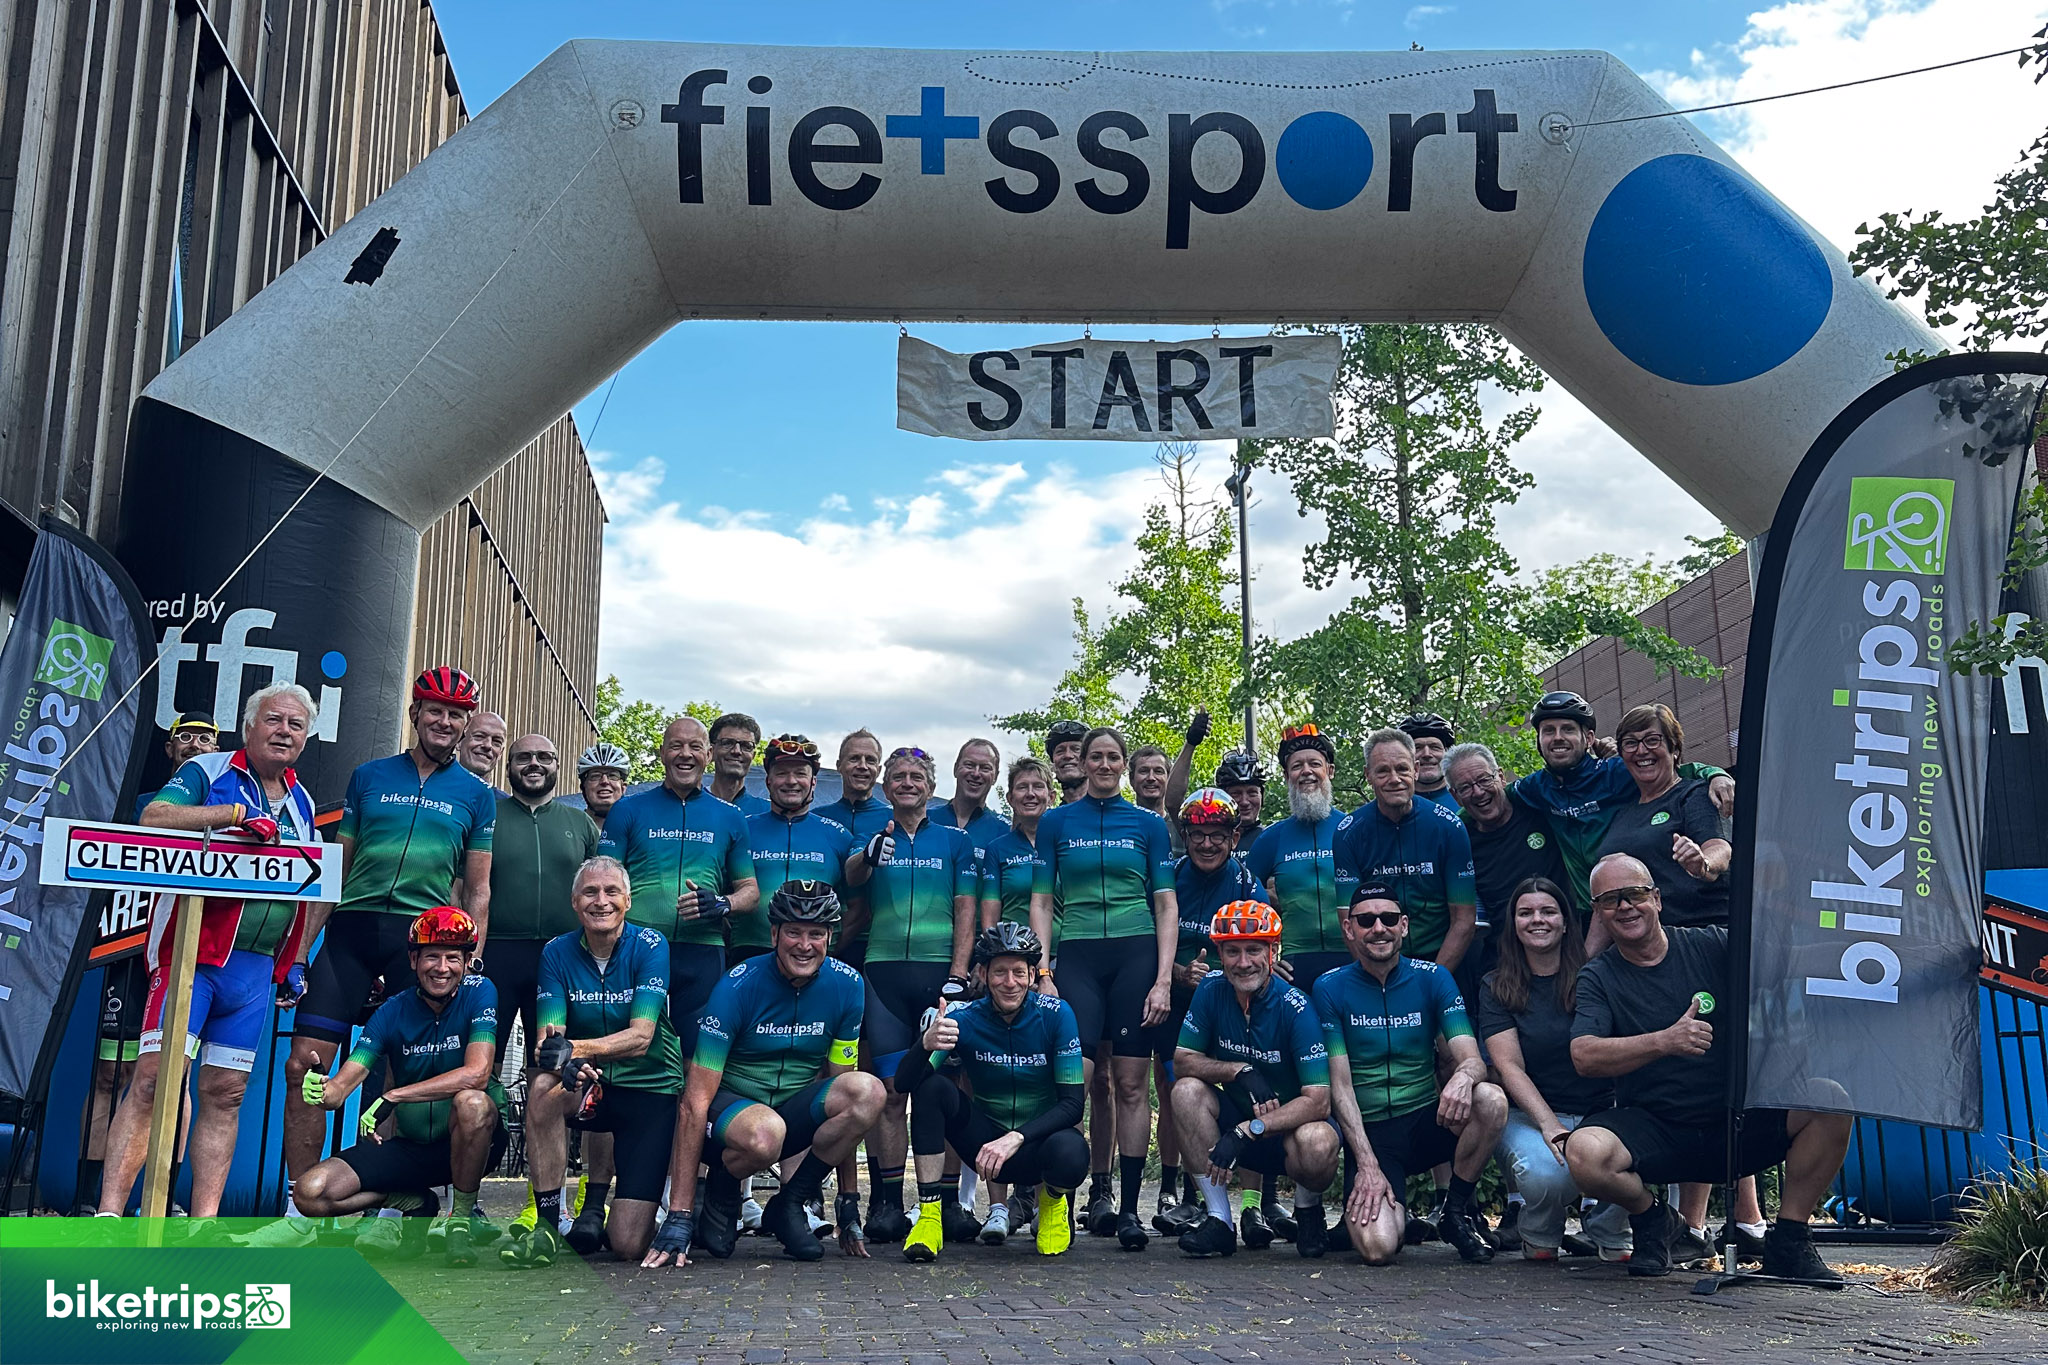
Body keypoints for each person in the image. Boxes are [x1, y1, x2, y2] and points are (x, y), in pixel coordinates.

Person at [264, 667, 496, 1248]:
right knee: (303, 1067)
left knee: (397, 1068)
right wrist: (298, 953)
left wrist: (474, 961)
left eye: (457, 714)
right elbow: (333, 872)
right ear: (414, 714)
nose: (445, 721)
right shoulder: (369, 776)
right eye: (435, 710)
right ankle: (299, 1209)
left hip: (415, 938)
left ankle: (388, 1211)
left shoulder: (476, 794)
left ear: (466, 724)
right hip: (351, 931)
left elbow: (477, 891)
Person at [1564, 853, 1854, 1282]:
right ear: (1599, 913)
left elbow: (1801, 959)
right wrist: (1664, 1042)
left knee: (1831, 1100)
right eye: (1610, 900)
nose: (1625, 907)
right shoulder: (1598, 976)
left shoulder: (1713, 944)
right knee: (1583, 1152)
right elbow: (1584, 1055)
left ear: (1657, 900)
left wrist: (1888, 954)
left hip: (1736, 1122)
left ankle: (1790, 1239)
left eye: (1635, 894)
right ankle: (1653, 1221)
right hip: (1657, 1128)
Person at [97, 684, 319, 1237]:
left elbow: (306, 885)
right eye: (274, 720)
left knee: (226, 1093)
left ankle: (202, 1226)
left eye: (296, 724)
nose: (284, 731)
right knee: (154, 1079)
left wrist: (292, 961)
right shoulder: (211, 769)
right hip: (191, 956)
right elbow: (154, 816)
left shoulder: (302, 800)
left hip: (254, 970)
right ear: (248, 727)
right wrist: (232, 815)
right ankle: (107, 1216)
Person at [642, 881, 885, 1267]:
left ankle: (789, 1203)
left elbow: (842, 1085)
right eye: (793, 932)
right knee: (764, 1132)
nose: (804, 945)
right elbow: (694, 1101)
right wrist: (679, 1215)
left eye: (816, 934)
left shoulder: (848, 985)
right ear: (774, 934)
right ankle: (721, 1187)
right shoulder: (738, 986)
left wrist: (849, 1202)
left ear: (830, 937)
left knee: (868, 1091)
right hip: (731, 1116)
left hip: (787, 1114)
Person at [1030, 726, 1178, 1252]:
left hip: (1136, 955)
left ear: (1123, 765)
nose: (1104, 764)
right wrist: (1041, 972)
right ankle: (1060, 1206)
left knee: (1133, 1085)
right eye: (1096, 756)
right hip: (1079, 958)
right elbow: (1042, 902)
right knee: (1074, 1083)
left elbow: (1165, 904)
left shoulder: (1148, 824)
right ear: (1083, 763)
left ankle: (1130, 1209)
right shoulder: (1055, 822)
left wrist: (1163, 979)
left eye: (1114, 756)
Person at [294, 908, 506, 1265]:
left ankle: (460, 1221)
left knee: (472, 1103)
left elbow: (477, 1073)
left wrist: (395, 1095)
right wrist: (319, 1086)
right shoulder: (392, 1011)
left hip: (472, 1140)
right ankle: (416, 1202)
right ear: (413, 959)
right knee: (310, 1193)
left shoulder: (480, 992)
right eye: (432, 957)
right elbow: (339, 1091)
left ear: (467, 962)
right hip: (413, 1149)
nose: (442, 967)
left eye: (453, 958)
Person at [1313, 881, 1505, 1265]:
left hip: (1425, 1121)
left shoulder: (1433, 978)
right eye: (1366, 920)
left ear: (1404, 925)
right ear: (1349, 929)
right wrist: (1366, 1164)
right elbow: (1340, 1086)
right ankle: (1386, 1214)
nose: (1378, 928)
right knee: (1378, 1247)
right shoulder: (1330, 987)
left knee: (1491, 1100)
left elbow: (1472, 1058)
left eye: (1387, 919)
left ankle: (1454, 1212)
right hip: (1373, 1137)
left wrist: (1464, 1079)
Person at [501, 857, 681, 1267]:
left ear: (628, 900)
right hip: (593, 1083)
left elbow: (641, 1037)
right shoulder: (556, 952)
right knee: (544, 1089)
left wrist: (575, 1050)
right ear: (574, 903)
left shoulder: (651, 945)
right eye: (590, 892)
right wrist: (560, 1059)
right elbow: (550, 1040)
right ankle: (547, 1227)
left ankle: (649, 1209)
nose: (601, 901)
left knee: (627, 1245)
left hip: (649, 1089)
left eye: (611, 892)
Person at [842, 746, 978, 1243]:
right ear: (884, 785)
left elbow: (966, 909)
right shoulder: (873, 830)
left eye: (916, 776)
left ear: (930, 784)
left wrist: (959, 972)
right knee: (892, 1091)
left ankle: (944, 1205)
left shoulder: (954, 840)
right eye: (897, 776)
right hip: (883, 975)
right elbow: (853, 874)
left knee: (942, 1090)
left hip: (938, 973)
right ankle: (886, 1203)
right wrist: (868, 857)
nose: (907, 783)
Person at [891, 923, 1087, 1260]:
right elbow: (905, 1085)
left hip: (1036, 1147)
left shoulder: (1057, 1015)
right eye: (999, 972)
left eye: (1018, 972)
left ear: (1031, 975)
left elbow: (1073, 1105)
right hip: (982, 1145)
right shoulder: (963, 1017)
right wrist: (924, 1045)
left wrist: (1016, 1138)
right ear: (982, 973)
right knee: (933, 1087)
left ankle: (1052, 1203)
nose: (1009, 983)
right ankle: (930, 1217)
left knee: (1073, 1149)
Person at [1170, 902, 1340, 1260]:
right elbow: (1183, 1060)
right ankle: (1219, 1220)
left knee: (1319, 1139)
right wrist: (1237, 1070)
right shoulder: (1211, 990)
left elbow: (1319, 1101)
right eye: (1232, 951)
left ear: (1272, 952)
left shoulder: (1297, 1007)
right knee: (1184, 1092)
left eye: (1253, 950)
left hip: (1289, 1130)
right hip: (1238, 1115)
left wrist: (1250, 1129)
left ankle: (1308, 1211)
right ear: (1220, 953)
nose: (1243, 962)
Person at [1473, 878, 1630, 1262]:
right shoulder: (1495, 986)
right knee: (1547, 1175)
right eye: (1525, 913)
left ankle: (1610, 1228)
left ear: (1564, 922)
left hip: (1599, 1110)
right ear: (1513, 925)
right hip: (1530, 1115)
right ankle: (1539, 1228)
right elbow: (1508, 1066)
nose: (1537, 920)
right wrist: (1548, 1125)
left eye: (1548, 911)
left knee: (1632, 1153)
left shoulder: (1598, 975)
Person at [485, 733, 601, 1247]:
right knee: (478, 1073)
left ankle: (545, 1204)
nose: (534, 765)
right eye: (524, 757)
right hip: (494, 956)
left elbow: (606, 890)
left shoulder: (580, 823)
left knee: (552, 1076)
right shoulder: (488, 813)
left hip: (560, 961)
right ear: (509, 765)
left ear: (559, 767)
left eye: (544, 758)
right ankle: (463, 1202)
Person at [596, 715, 757, 1064]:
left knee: (694, 1060)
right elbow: (602, 881)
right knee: (624, 1053)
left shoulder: (730, 817)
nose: (686, 754)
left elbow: (750, 890)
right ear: (661, 753)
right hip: (636, 947)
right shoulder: (628, 809)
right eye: (676, 746)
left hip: (703, 951)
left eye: (695, 747)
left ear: (709, 754)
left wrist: (722, 903)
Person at [1149, 787, 1265, 1237]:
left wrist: (1216, 975)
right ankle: (1177, 1191)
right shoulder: (1173, 874)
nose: (1207, 844)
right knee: (1174, 1090)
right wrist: (1178, 973)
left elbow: (1259, 949)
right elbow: (1149, 938)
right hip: (1178, 999)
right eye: (1197, 835)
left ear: (1233, 837)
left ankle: (1254, 1203)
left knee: (1250, 1091)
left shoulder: (1244, 882)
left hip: (1230, 1003)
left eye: (1217, 835)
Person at [1512, 691, 1732, 911]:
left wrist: (1715, 774)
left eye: (1568, 729)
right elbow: (1492, 796)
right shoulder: (1535, 787)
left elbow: (1674, 773)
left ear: (1589, 739)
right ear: (1539, 741)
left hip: (1646, 905)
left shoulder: (1618, 772)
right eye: (1548, 731)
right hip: (1590, 911)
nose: (1558, 737)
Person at [1335, 728, 1478, 974]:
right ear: (1368, 775)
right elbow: (1348, 920)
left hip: (1445, 957)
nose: (1394, 779)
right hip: (1380, 962)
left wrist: (1435, 980)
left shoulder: (1448, 826)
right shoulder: (1349, 832)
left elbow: (1464, 918)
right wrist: (1380, 976)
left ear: (1415, 769)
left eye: (1402, 769)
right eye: (1382, 771)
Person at [1247, 725, 1356, 989]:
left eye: (1314, 764)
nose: (1306, 771)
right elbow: (1243, 902)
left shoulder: (1354, 828)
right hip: (1295, 964)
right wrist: (1265, 957)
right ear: (1286, 775)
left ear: (1329, 771)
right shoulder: (1271, 838)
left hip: (1355, 959)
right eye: (1297, 766)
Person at [1444, 743, 1573, 958]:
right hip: (1502, 959)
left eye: (1484, 779)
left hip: (1563, 949)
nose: (1478, 792)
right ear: (1455, 796)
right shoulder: (1458, 839)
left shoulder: (1540, 808)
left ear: (1501, 777)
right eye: (1465, 787)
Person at [741, 735, 855, 968]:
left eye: (800, 773)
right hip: (748, 954)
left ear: (813, 781)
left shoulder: (838, 835)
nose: (791, 781)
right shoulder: (743, 829)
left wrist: (830, 948)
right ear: (768, 780)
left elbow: (859, 908)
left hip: (815, 958)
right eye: (781, 773)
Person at [817, 727, 889, 970]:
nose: (862, 766)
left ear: (879, 770)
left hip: (874, 945)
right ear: (839, 765)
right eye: (854, 758)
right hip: (817, 938)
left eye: (870, 760)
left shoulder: (894, 819)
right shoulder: (818, 818)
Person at [928, 737, 1010, 874]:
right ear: (955, 769)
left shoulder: (1005, 831)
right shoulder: (927, 819)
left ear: (995, 777)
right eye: (969, 765)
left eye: (985, 768)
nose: (976, 773)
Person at [708, 712, 771, 815]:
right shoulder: (690, 808)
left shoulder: (766, 812)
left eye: (746, 746)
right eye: (727, 743)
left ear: (753, 756)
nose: (736, 751)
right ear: (712, 751)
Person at [1213, 749, 1269, 855]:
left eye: (1252, 793)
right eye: (1236, 794)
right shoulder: (1207, 839)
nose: (1244, 802)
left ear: (1262, 796)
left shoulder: (1272, 839)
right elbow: (1173, 803)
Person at [1400, 714, 1459, 811]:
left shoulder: (1467, 798)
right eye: (1417, 748)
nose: (1426, 754)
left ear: (1447, 752)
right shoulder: (1391, 804)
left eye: (1435, 747)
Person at [576, 742, 633, 833]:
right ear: (583, 787)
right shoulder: (569, 829)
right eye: (595, 776)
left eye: (613, 776)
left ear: (623, 787)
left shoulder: (637, 832)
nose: (604, 781)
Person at [459, 710, 509, 793]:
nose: (488, 745)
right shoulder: (433, 791)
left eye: (496, 741)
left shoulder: (504, 804)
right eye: (479, 736)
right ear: (459, 741)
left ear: (500, 753)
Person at [1045, 719, 1089, 804]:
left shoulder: (1114, 813)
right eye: (1060, 751)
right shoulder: (1051, 816)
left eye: (1076, 749)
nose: (1067, 755)